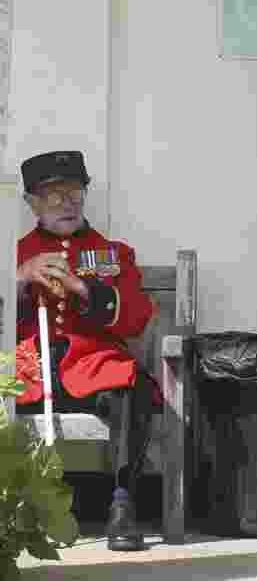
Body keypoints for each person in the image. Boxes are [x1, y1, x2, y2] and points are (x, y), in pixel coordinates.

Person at [14, 150, 156, 551]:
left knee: (133, 387)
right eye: (53, 194)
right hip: (30, 366)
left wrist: (82, 288)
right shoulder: (13, 253)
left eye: (74, 191)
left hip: (90, 364)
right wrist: (19, 279)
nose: (67, 202)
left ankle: (123, 505)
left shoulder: (113, 253)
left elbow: (136, 317)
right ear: (32, 203)